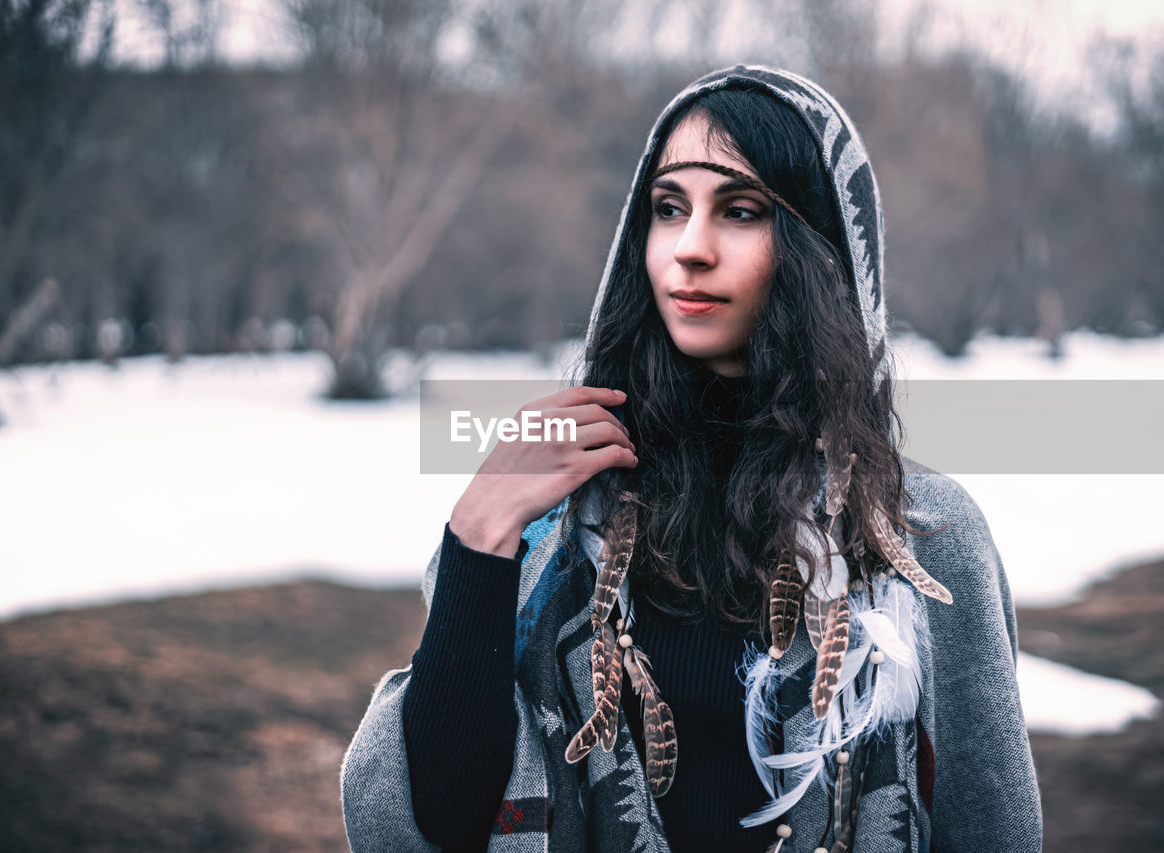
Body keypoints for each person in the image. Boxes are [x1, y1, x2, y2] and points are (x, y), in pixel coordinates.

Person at [341, 64, 1042, 853]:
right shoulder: (566, 525)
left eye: (740, 211)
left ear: (820, 251)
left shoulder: (923, 538)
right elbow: (432, 820)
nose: (690, 248)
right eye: (668, 208)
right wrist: (478, 536)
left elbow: (995, 830)